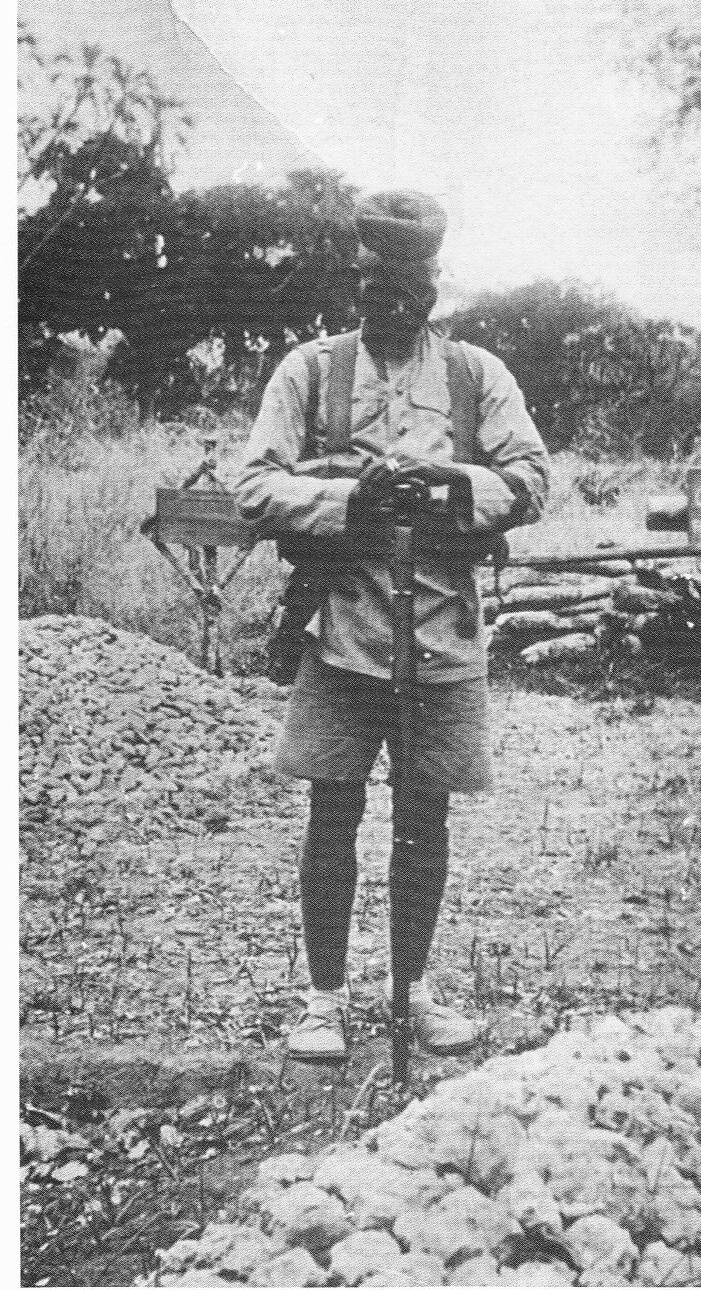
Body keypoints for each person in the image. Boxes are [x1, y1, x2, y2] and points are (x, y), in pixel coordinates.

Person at [234, 190, 550, 1063]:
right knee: (331, 813)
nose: (388, 300)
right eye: (373, 282)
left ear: (432, 288)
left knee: (425, 817)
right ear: (356, 281)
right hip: (341, 625)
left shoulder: (476, 375)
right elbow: (253, 485)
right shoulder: (310, 370)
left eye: (406, 284)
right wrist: (347, 497)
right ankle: (322, 1000)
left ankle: (412, 992)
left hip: (444, 629)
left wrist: (451, 485)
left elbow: (530, 476)